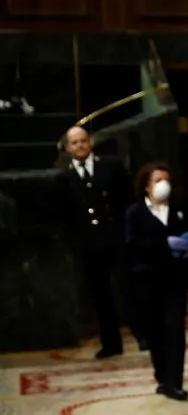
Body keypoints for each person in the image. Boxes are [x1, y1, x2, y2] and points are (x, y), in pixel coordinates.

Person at [55, 126, 137, 358]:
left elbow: (128, 201)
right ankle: (111, 343)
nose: (80, 146)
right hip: (89, 246)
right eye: (74, 143)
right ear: (68, 147)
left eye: (83, 141)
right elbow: (65, 215)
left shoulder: (111, 166)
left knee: (128, 288)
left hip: (116, 239)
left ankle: (143, 335)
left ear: (90, 142)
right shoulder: (64, 176)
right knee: (101, 296)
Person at [125, 162, 188, 401]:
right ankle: (162, 378)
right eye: (158, 180)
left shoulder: (178, 209)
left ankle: (175, 382)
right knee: (155, 332)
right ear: (147, 185)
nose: (163, 185)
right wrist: (164, 244)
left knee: (175, 330)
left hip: (175, 281)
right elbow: (132, 245)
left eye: (166, 180)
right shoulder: (135, 212)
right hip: (148, 281)